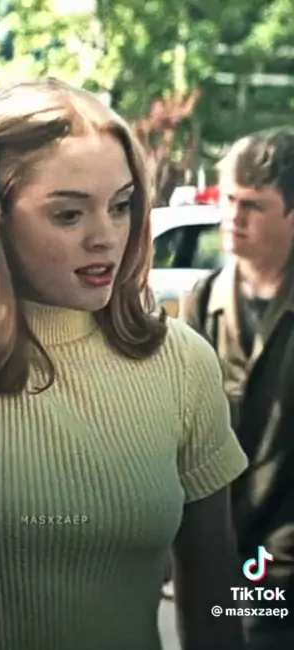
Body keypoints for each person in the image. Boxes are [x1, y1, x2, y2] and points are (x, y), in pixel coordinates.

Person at [0, 78, 247, 650]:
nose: (106, 237)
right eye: (69, 214)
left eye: (122, 206)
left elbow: (215, 602)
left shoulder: (181, 362)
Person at [180, 127, 294, 650]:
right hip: (217, 553)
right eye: (228, 200)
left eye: (253, 205)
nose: (233, 216)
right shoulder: (203, 302)